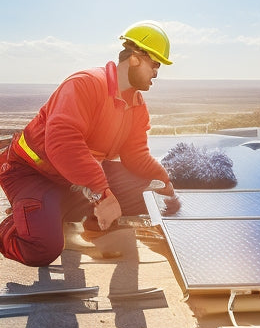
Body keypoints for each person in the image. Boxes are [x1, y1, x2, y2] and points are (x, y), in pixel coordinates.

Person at [0, 21, 177, 266]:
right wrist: (103, 194)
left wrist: (166, 183)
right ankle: (18, 223)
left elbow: (136, 155)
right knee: (42, 248)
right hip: (33, 173)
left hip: (73, 178)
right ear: (136, 58)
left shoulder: (136, 105)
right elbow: (63, 143)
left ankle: (70, 216)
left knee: (147, 192)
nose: (156, 72)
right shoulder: (86, 83)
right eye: (155, 64)